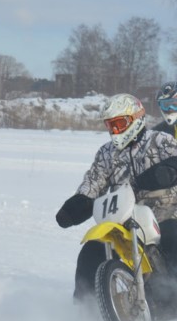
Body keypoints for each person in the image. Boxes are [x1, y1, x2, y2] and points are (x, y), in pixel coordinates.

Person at [55, 93, 177, 302]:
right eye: (110, 126)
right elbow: (93, 182)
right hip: (127, 220)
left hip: (168, 213)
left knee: (173, 238)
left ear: (136, 118)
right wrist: (76, 205)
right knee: (92, 250)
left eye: (119, 124)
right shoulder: (106, 153)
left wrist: (166, 172)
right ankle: (86, 308)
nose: (115, 131)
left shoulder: (160, 140)